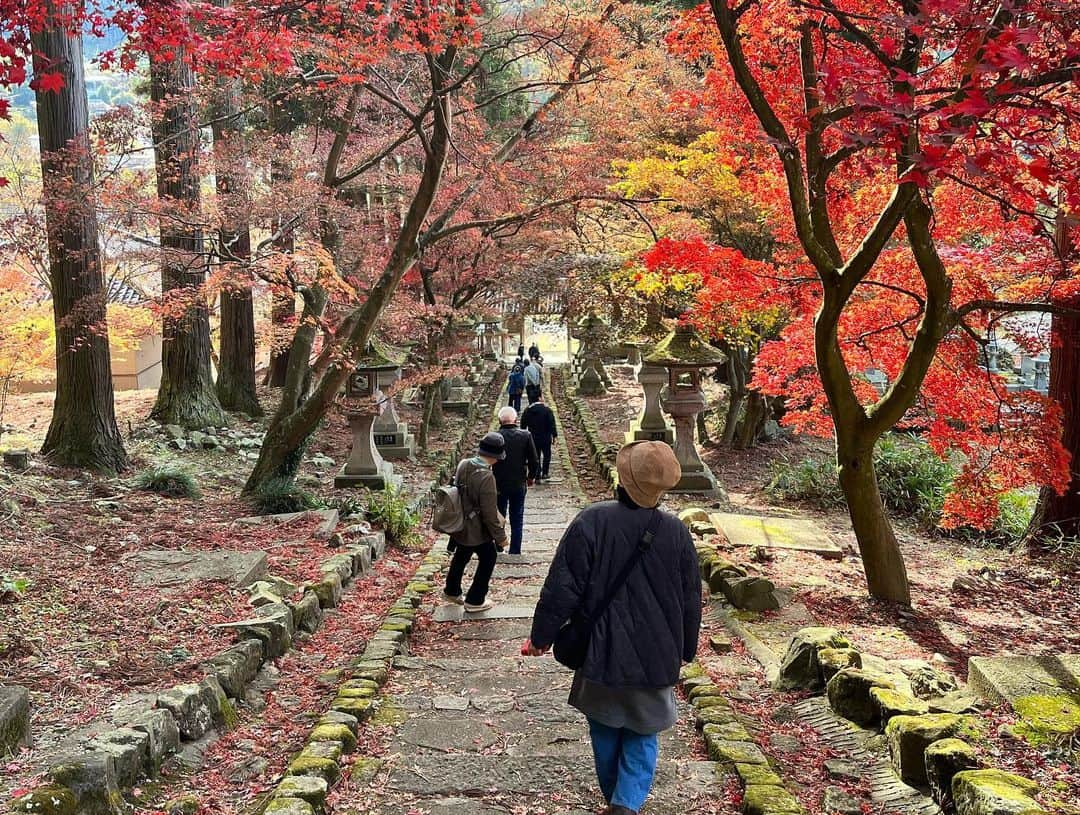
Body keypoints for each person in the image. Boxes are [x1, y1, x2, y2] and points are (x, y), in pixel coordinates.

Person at [522, 441, 702, 815]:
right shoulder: (677, 534)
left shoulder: (593, 521)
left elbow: (562, 587)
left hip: (601, 649)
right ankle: (626, 804)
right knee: (643, 731)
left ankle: (616, 801)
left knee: (604, 729)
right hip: (657, 651)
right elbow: (689, 599)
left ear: (623, 479)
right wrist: (686, 647)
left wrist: (542, 636)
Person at [442, 432, 509, 613]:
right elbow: (489, 513)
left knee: (462, 554)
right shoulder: (486, 477)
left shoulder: (464, 464)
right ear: (495, 456)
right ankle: (475, 599)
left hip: (460, 522)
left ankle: (452, 590)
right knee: (489, 557)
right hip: (476, 528)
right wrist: (501, 538)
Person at [492, 406, 539, 556]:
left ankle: (498, 546)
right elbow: (534, 460)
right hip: (519, 482)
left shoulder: (495, 436)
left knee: (499, 516)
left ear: (500, 421)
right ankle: (515, 550)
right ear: (515, 420)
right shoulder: (525, 435)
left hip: (499, 483)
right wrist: (531, 476)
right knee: (517, 516)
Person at [521, 393, 557, 480]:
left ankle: (537, 473)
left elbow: (523, 425)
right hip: (545, 436)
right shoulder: (547, 410)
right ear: (539, 398)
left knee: (535, 455)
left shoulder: (528, 410)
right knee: (547, 454)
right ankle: (545, 472)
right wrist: (554, 435)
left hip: (533, 436)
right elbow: (552, 424)